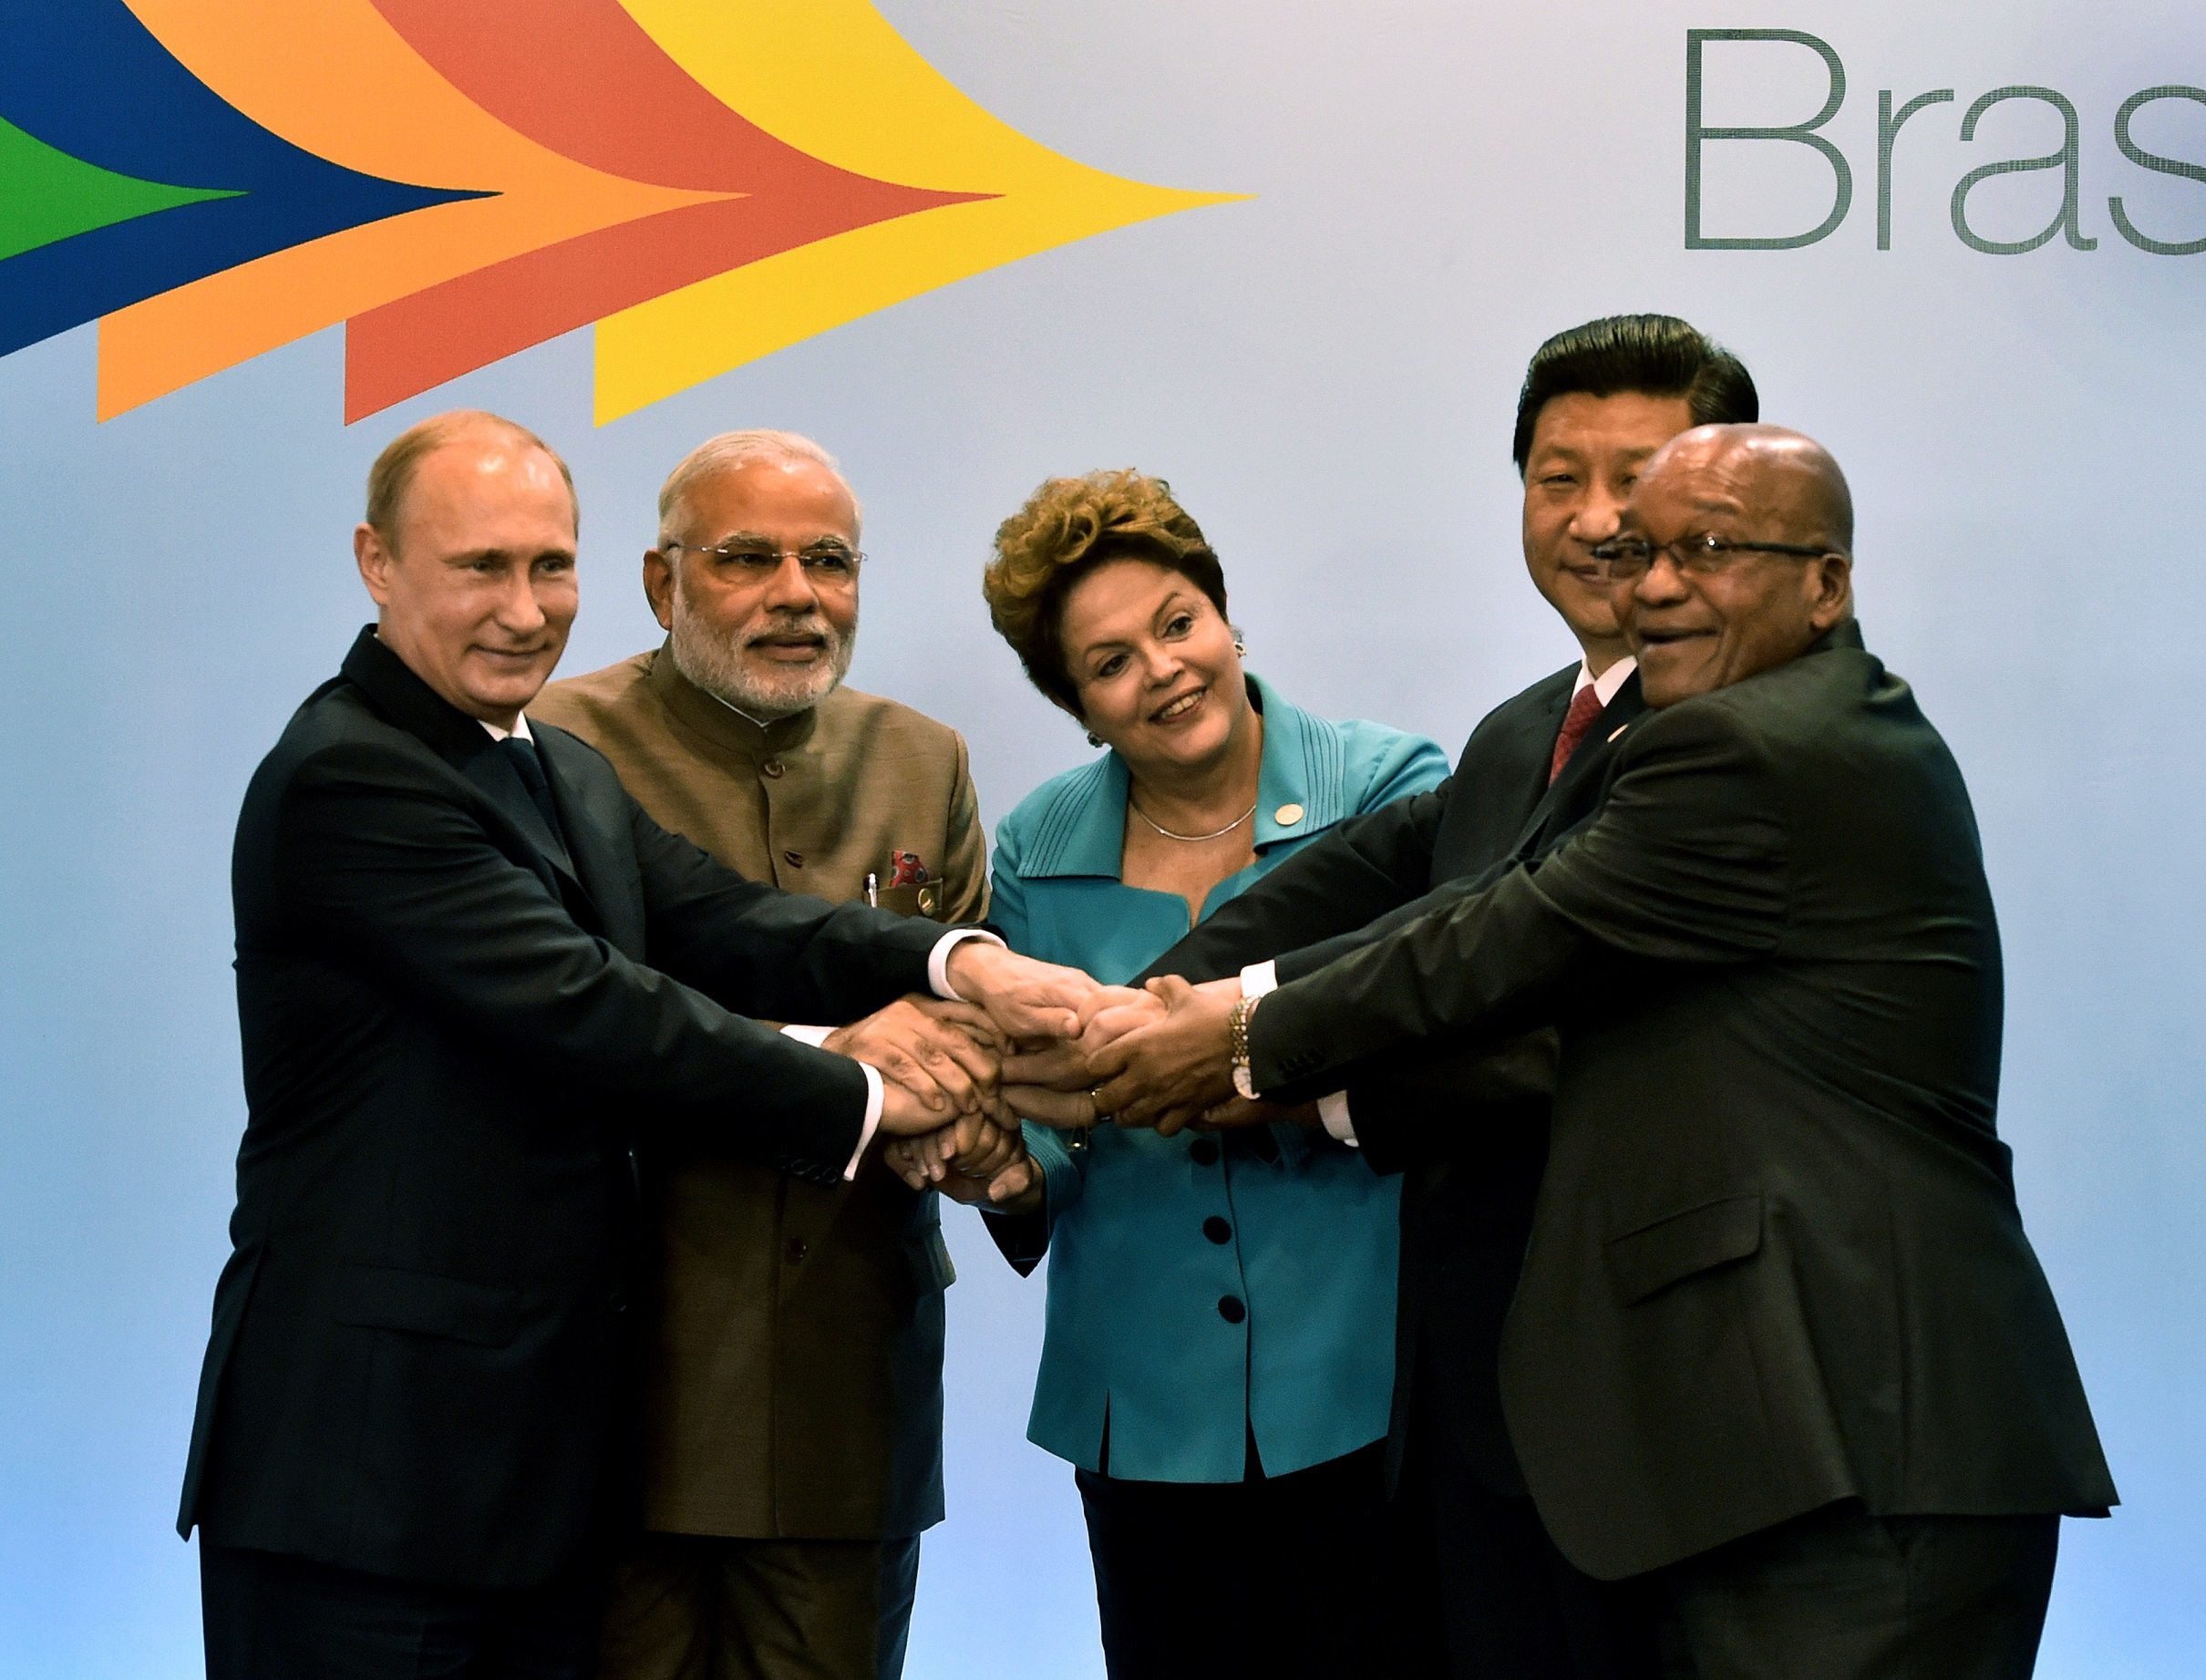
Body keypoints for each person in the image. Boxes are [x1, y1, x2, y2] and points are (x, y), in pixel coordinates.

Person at [1086, 426, 2119, 1680]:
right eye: (1642, 554)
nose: (1658, 586)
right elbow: (1451, 902)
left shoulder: (1758, 746)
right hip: (1772, 1460)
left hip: (1863, 1452)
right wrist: (1153, 1013)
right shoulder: (1720, 733)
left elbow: (1500, 939)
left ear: (1828, 584)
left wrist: (1238, 1036)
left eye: (1711, 551)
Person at [180, 410, 1088, 1680]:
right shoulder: (354, 776)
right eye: (479, 567)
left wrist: (962, 961)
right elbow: (600, 1012)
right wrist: (880, 1088)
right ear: (377, 564)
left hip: (526, 1476)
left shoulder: (549, 767)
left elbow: (734, 924)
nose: (524, 607)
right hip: (365, 1472)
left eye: (550, 566)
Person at [1022, 314, 1760, 1676]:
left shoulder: (1731, 738)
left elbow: (1540, 1026)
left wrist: (1244, 1064)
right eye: (1556, 478)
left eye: (1636, 476)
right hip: (1486, 1418)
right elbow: (1365, 897)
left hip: (1654, 1413)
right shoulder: (1526, 731)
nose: (1595, 519)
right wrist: (1152, 1009)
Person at [924, 469, 1449, 1679]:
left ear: (1228, 620)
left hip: (1371, 1386)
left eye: (1178, 624)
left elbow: (1426, 1026)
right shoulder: (1039, 848)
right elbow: (1042, 1115)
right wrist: (1005, 1172)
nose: (1162, 671)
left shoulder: (1392, 788)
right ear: (1081, 710)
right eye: (1111, 665)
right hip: (1143, 1411)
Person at [531, 430, 1006, 1680]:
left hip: (848, 1385)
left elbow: (961, 1036)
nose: (798, 594)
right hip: (613, 1378)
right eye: (748, 558)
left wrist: (975, 1114)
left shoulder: (924, 756)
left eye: (831, 562)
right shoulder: (550, 750)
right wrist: (846, 1055)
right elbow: (564, 1030)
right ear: (660, 582)